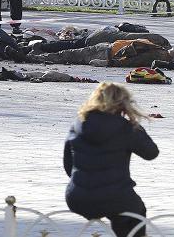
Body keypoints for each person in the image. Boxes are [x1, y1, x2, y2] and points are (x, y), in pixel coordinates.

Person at [64, 82, 158, 237]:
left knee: (119, 207)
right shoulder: (125, 128)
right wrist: (135, 125)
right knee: (135, 211)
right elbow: (151, 153)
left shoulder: (78, 124)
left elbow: (69, 165)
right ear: (122, 104)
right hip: (115, 197)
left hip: (77, 197)